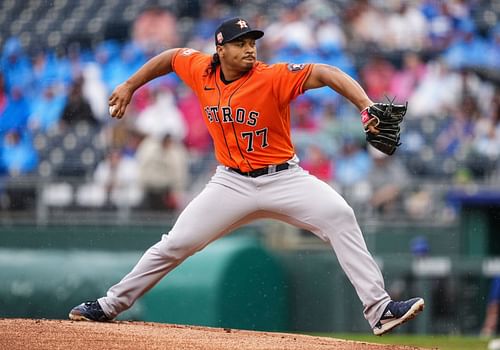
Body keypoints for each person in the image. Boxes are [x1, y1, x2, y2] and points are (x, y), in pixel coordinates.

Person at [69, 17, 424, 336]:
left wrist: (364, 105)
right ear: (220, 49)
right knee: (175, 244)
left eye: (252, 42)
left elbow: (326, 73)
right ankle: (110, 304)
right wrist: (130, 85)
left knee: (340, 215)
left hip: (284, 177)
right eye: (241, 43)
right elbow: (171, 56)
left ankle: (379, 310)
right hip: (231, 182)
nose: (249, 48)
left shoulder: (272, 77)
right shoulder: (200, 70)